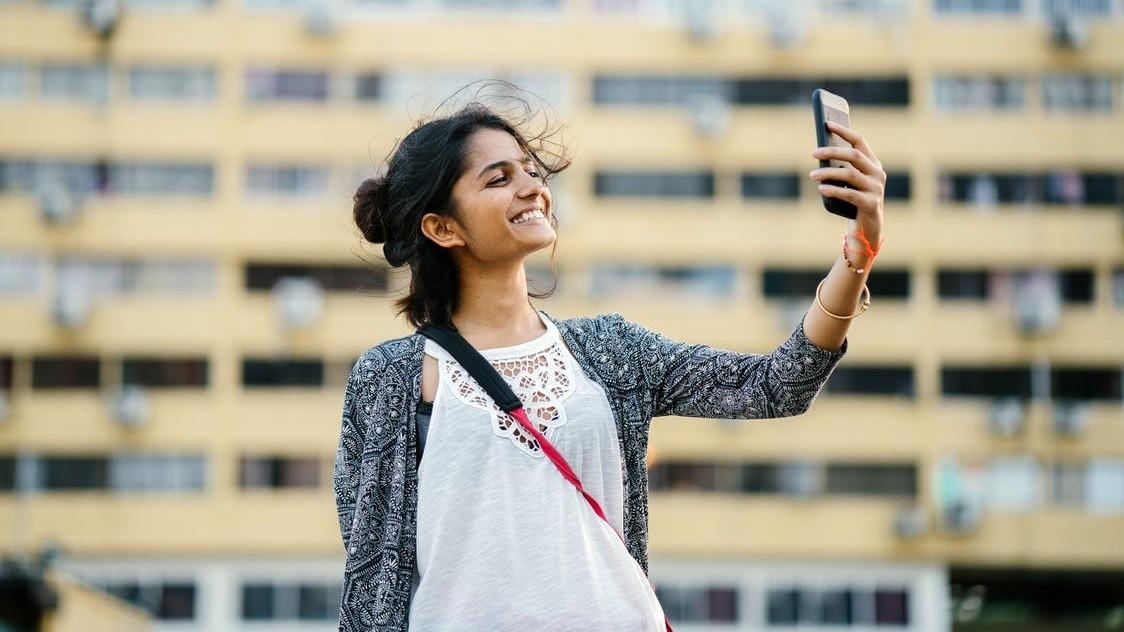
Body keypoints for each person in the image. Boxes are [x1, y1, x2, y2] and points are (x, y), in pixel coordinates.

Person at [334, 89, 885, 631]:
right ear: (442, 227)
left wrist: (858, 254)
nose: (532, 188)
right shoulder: (392, 377)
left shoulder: (611, 351)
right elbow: (369, 574)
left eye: (530, 171)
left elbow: (774, 386)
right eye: (499, 179)